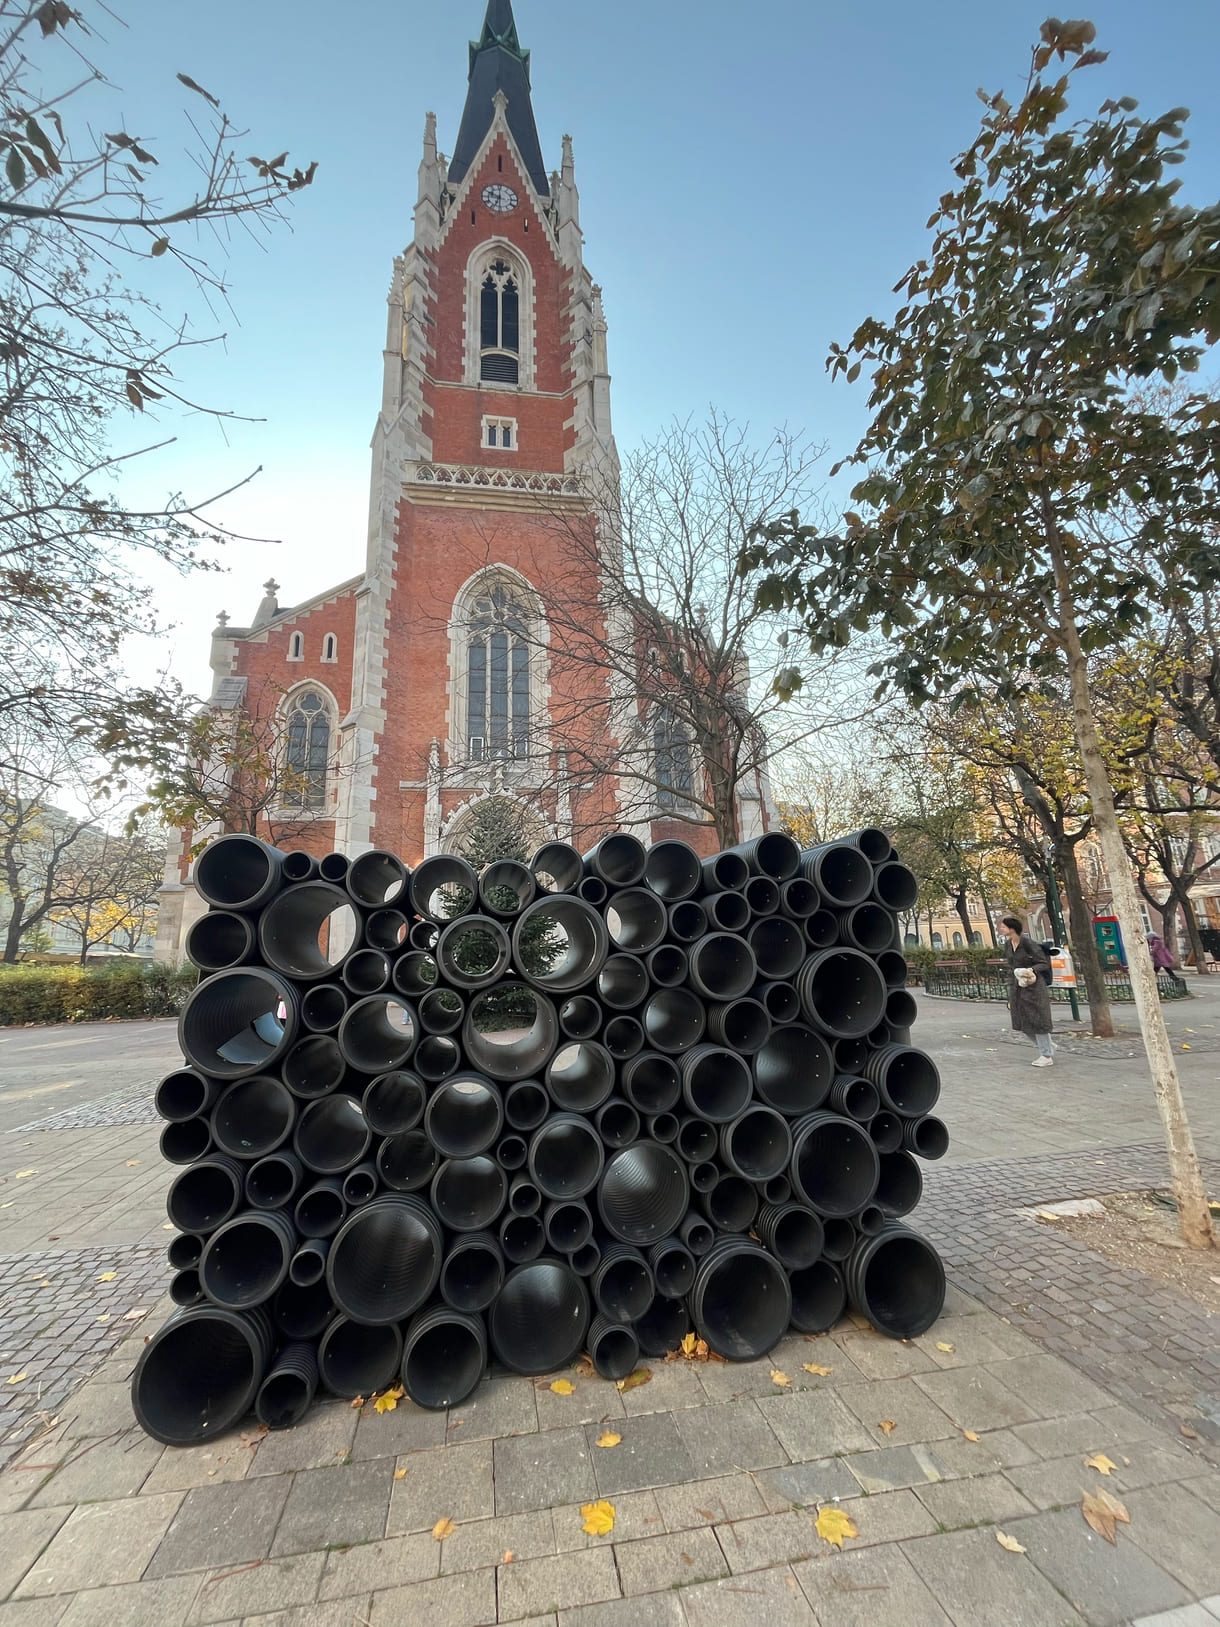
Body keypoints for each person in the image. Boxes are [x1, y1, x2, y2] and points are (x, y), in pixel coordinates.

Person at [1000, 915, 1055, 1066]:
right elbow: (1011, 965)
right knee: (1021, 1020)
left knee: (1038, 1019)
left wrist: (1030, 969)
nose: (1001, 929)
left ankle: (1046, 1055)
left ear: (1011, 929)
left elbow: (1043, 963)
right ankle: (1046, 1046)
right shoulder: (1008, 945)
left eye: (1003, 926)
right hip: (1017, 986)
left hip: (1034, 986)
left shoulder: (1028, 943)